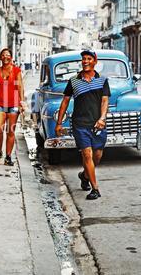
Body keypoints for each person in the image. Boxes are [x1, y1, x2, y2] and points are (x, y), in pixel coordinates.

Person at [54, 50, 111, 200]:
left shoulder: (102, 80)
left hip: (98, 124)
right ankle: (95, 189)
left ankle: (84, 176)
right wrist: (59, 123)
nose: (85, 61)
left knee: (97, 156)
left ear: (95, 61)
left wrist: (102, 119)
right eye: (83, 59)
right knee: (87, 154)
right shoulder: (73, 81)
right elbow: (65, 101)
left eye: (88, 59)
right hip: (79, 124)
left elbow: (105, 101)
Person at [0, 48, 25, 166]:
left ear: (11, 57)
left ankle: (8, 156)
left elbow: (20, 87)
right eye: (3, 55)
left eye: (8, 55)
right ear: (0, 57)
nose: (5, 57)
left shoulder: (17, 71)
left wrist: (22, 102)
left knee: (11, 131)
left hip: (13, 104)